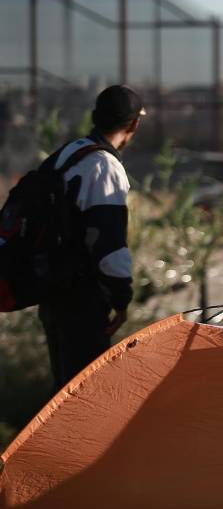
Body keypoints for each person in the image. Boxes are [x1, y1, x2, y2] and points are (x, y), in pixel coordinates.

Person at [39, 85, 142, 388]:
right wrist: (121, 298)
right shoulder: (104, 166)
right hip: (81, 299)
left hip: (51, 292)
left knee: (64, 394)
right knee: (86, 396)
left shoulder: (67, 155)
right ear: (133, 124)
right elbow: (108, 245)